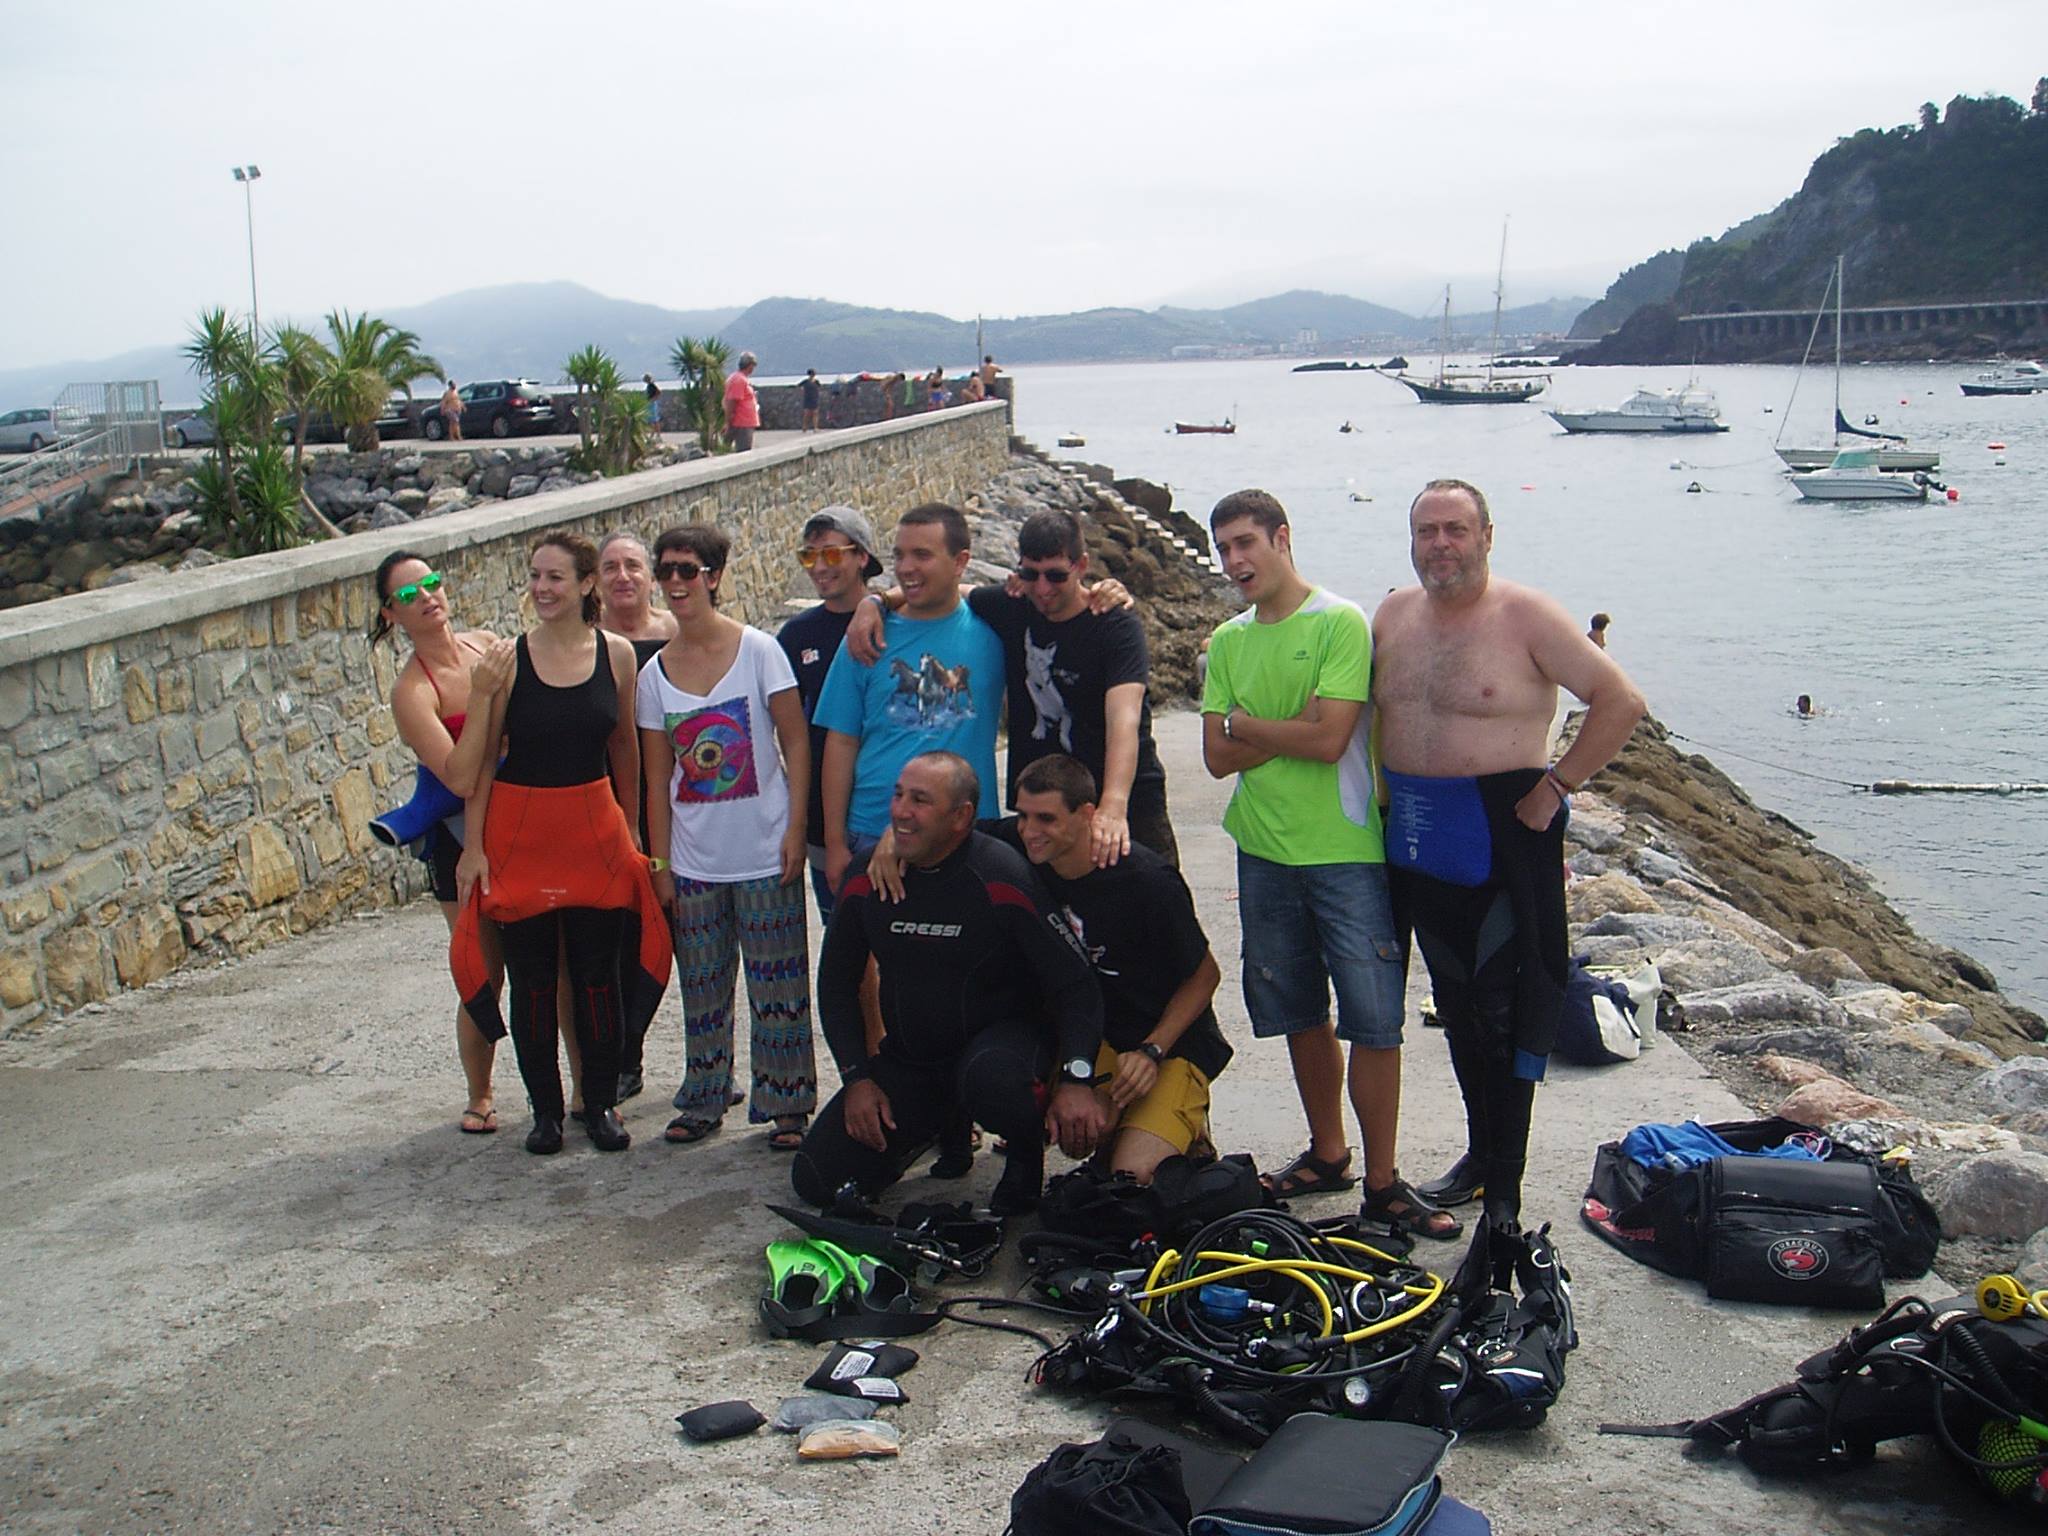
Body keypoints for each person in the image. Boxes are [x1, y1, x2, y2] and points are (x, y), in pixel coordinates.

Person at [1374, 478, 1646, 1227]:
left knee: (1508, 1009)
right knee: (1458, 1009)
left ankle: (1507, 1190)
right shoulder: (1394, 614)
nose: (1440, 545)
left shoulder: (1526, 616)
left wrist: (1557, 786)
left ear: (1487, 536)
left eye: (1456, 530)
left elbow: (1619, 701)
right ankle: (1481, 1156)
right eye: (1427, 530)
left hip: (1504, 832)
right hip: (1423, 837)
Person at [1201, 489, 1455, 1237]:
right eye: (1223, 549)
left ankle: (1384, 1182)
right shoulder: (1228, 640)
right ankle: (1327, 1153)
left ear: (1282, 539)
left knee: (1376, 1022)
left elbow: (1329, 738)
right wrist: (1282, 725)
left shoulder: (1340, 621)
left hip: (1345, 853)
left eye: (1247, 543)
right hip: (1262, 849)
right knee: (1299, 1013)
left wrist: (1248, 722)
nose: (1235, 561)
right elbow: (1216, 759)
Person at [868, 753, 1226, 1183]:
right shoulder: (1025, 846)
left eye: (1046, 819)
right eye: (1023, 816)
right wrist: (891, 839)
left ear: (1087, 815)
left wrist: (1153, 1050)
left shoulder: (1147, 881)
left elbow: (1206, 975)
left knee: (1133, 1177)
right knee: (1058, 1118)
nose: (1029, 831)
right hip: (1090, 1037)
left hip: (1162, 1045)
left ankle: (1184, 1132)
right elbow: (950, 830)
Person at [791, 752, 1107, 1214]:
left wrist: (1077, 1076)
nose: (900, 810)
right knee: (817, 1182)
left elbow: (1076, 985)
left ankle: (1023, 1154)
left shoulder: (1001, 875)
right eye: (898, 795)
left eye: (920, 800)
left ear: (961, 817)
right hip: (914, 1059)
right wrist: (857, 1078)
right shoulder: (868, 877)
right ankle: (935, 1128)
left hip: (1001, 1050)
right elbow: (836, 982)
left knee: (993, 1080)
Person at [452, 533, 669, 1156]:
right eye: (535, 577)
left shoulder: (620, 653)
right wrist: (473, 848)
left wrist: (629, 828)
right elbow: (485, 764)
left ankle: (598, 1104)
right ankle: (545, 1113)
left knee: (599, 978)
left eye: (555, 578)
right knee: (534, 980)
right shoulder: (505, 659)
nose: (542, 589)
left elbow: (625, 746)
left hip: (593, 826)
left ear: (585, 586)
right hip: (521, 831)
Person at [847, 507, 1169, 865]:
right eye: (1031, 574)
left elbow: (1124, 718)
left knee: (1151, 904)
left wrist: (1112, 805)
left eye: (1056, 576)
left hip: (1122, 801)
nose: (1043, 589)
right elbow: (945, 587)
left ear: (1081, 566)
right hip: (1040, 810)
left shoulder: (1113, 625)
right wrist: (876, 602)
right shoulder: (1013, 607)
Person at [637, 523, 818, 1150]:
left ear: (714, 576)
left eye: (689, 570)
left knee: (781, 985)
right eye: (667, 571)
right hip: (694, 859)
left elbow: (795, 738)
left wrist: (796, 827)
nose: (677, 582)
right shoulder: (653, 675)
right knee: (703, 987)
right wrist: (660, 862)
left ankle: (788, 1104)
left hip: (765, 851)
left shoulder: (761, 651)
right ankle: (706, 1094)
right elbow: (657, 775)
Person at [373, 551, 513, 1134]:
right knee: (483, 969)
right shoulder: (413, 692)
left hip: (524, 820)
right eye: (410, 595)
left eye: (431, 583)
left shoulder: (487, 643)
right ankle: (480, 1093)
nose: (428, 596)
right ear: (391, 615)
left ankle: (583, 1086)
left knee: (548, 961)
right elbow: (457, 776)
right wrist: (483, 698)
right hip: (459, 840)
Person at [813, 502, 1004, 900]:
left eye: (922, 555)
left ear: (960, 561)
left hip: (966, 831)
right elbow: (842, 742)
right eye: (899, 555)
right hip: (872, 824)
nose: (906, 567)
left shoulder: (995, 631)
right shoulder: (865, 639)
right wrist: (835, 844)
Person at [597, 530, 678, 1098]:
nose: (622, 576)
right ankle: (622, 1056)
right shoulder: (582, 643)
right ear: (594, 582)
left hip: (679, 802)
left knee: (678, 934)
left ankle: (698, 1063)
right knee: (620, 938)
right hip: (607, 804)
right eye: (610, 568)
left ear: (650, 576)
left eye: (632, 566)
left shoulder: (677, 636)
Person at [776, 506, 885, 924]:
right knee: (844, 945)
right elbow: (783, 733)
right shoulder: (796, 635)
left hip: (889, 812)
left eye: (832, 554)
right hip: (824, 821)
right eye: (809, 556)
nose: (819, 567)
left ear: (862, 557)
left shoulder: (897, 620)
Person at [724, 351, 761, 452]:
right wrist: (728, 422)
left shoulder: (741, 378)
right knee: (743, 452)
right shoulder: (738, 379)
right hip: (742, 423)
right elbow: (732, 401)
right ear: (750, 366)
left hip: (745, 423)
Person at [800, 368, 823, 433]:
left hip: (814, 399)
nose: (812, 375)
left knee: (815, 413)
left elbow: (819, 388)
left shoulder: (816, 382)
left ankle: (815, 427)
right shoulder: (805, 382)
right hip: (807, 399)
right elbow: (799, 386)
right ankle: (804, 427)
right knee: (807, 414)